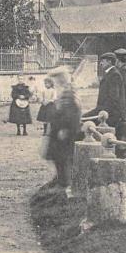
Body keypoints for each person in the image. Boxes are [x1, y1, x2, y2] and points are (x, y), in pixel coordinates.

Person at [45, 66, 81, 198]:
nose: (53, 83)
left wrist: (64, 129)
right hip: (60, 130)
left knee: (63, 158)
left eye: (54, 80)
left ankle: (65, 186)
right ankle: (61, 183)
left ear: (60, 80)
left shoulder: (68, 92)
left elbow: (70, 113)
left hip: (64, 131)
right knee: (58, 157)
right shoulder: (65, 90)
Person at [82, 52, 126, 134]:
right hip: (105, 111)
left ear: (109, 62)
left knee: (84, 121)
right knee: (84, 119)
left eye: (103, 61)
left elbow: (113, 99)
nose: (100, 63)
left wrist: (97, 113)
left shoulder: (114, 75)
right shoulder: (110, 73)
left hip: (112, 114)